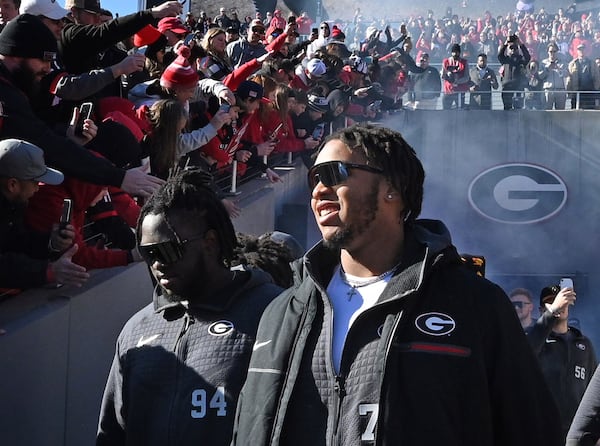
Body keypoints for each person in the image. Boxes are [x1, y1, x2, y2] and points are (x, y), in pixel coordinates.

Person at [231, 124, 563, 446]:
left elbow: (531, 430)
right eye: (314, 178)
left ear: (392, 189)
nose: (319, 189)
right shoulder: (283, 312)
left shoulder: (476, 306)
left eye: (333, 174)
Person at [96, 168, 282, 445]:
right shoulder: (136, 330)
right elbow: (112, 433)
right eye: (148, 253)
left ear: (210, 242)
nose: (157, 263)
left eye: (168, 249)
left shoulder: (274, 312)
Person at [0, 13, 163, 198]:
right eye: (43, 60)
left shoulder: (15, 85)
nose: (47, 68)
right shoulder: (6, 96)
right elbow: (42, 140)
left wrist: (69, 139)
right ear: (16, 54)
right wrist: (119, 177)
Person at [0, 138, 89, 290]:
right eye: (35, 182)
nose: (38, 188)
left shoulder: (14, 203)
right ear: (13, 185)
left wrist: (51, 242)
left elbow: (16, 241)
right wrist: (47, 271)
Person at [527, 283, 597, 441]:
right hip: (542, 431)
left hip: (577, 433)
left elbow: (594, 390)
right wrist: (552, 312)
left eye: (563, 300)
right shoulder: (535, 339)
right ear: (541, 310)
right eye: (551, 301)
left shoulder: (584, 344)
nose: (560, 304)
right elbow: (524, 356)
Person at [497, 34, 530, 110]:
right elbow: (500, 55)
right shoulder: (505, 60)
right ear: (508, 49)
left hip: (518, 86)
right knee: (507, 108)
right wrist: (506, 43)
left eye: (515, 49)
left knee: (518, 108)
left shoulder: (521, 60)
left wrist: (520, 44)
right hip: (507, 86)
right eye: (511, 48)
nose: (513, 50)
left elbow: (527, 57)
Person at [567, 43, 600, 109]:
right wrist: (569, 91)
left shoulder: (592, 63)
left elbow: (597, 77)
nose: (581, 51)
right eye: (579, 49)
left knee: (590, 112)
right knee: (576, 112)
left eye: (583, 49)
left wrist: (596, 90)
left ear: (585, 50)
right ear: (577, 51)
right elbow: (569, 79)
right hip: (577, 92)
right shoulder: (572, 64)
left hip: (589, 92)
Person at [441, 43, 470, 109]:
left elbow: (467, 77)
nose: (455, 55)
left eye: (457, 53)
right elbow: (442, 76)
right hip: (448, 91)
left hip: (460, 91)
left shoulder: (464, 62)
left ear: (459, 53)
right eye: (454, 53)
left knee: (460, 109)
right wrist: (448, 77)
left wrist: (457, 81)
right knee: (446, 109)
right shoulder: (446, 61)